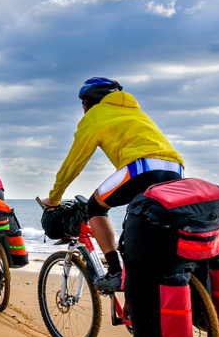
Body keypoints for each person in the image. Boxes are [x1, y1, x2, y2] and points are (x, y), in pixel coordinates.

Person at [42, 77, 185, 291]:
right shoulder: (137, 112)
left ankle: (115, 271)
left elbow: (73, 162)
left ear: (89, 101)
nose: (83, 108)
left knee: (95, 207)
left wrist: (54, 197)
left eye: (83, 103)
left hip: (141, 168)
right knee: (150, 219)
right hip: (176, 170)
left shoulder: (95, 115)